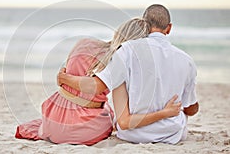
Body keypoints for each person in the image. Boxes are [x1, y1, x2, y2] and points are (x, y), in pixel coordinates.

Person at [15, 18, 181, 145]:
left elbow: (71, 72)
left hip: (53, 114)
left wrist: (64, 78)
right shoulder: (120, 61)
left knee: (107, 109)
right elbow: (96, 87)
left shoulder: (85, 42)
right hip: (77, 127)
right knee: (112, 120)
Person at [57, 4, 199, 144]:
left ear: (145, 25)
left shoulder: (127, 50)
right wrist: (174, 110)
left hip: (133, 134)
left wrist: (64, 78)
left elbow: (97, 86)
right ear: (169, 28)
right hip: (172, 134)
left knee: (122, 83)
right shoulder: (186, 60)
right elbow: (191, 109)